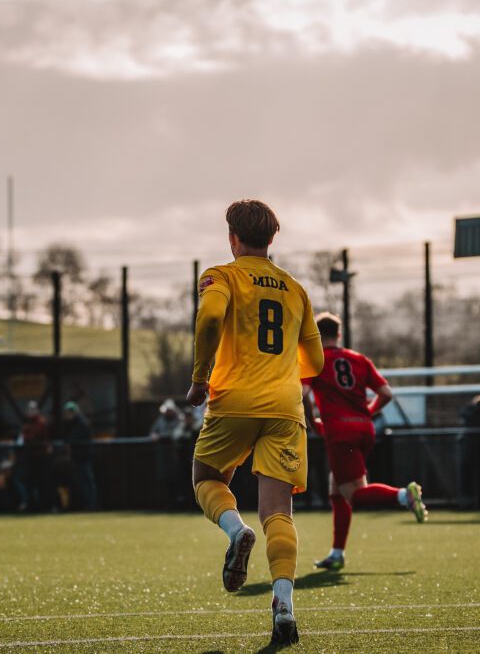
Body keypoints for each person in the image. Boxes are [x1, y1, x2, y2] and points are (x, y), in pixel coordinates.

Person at [186, 199, 324, 646]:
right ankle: (283, 604)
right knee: (278, 513)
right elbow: (316, 362)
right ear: (271, 239)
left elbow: (209, 319)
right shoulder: (295, 288)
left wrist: (199, 379)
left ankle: (234, 530)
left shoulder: (221, 276)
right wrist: (281, 371)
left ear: (232, 237)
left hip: (234, 401)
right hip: (286, 407)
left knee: (206, 477)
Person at [303, 312, 427, 572]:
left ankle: (405, 495)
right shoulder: (359, 359)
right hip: (365, 430)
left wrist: (312, 422)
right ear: (339, 334)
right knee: (336, 489)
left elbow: (303, 394)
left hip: (340, 433)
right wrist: (365, 414)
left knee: (355, 495)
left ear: (315, 335)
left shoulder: (315, 360)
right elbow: (386, 393)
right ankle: (337, 553)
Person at [62, 401, 98, 510]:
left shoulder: (82, 423)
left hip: (84, 457)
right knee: (80, 482)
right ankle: (84, 504)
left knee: (87, 481)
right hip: (76, 457)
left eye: (68, 413)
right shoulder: (70, 424)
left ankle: (91, 504)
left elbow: (71, 439)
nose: (66, 415)